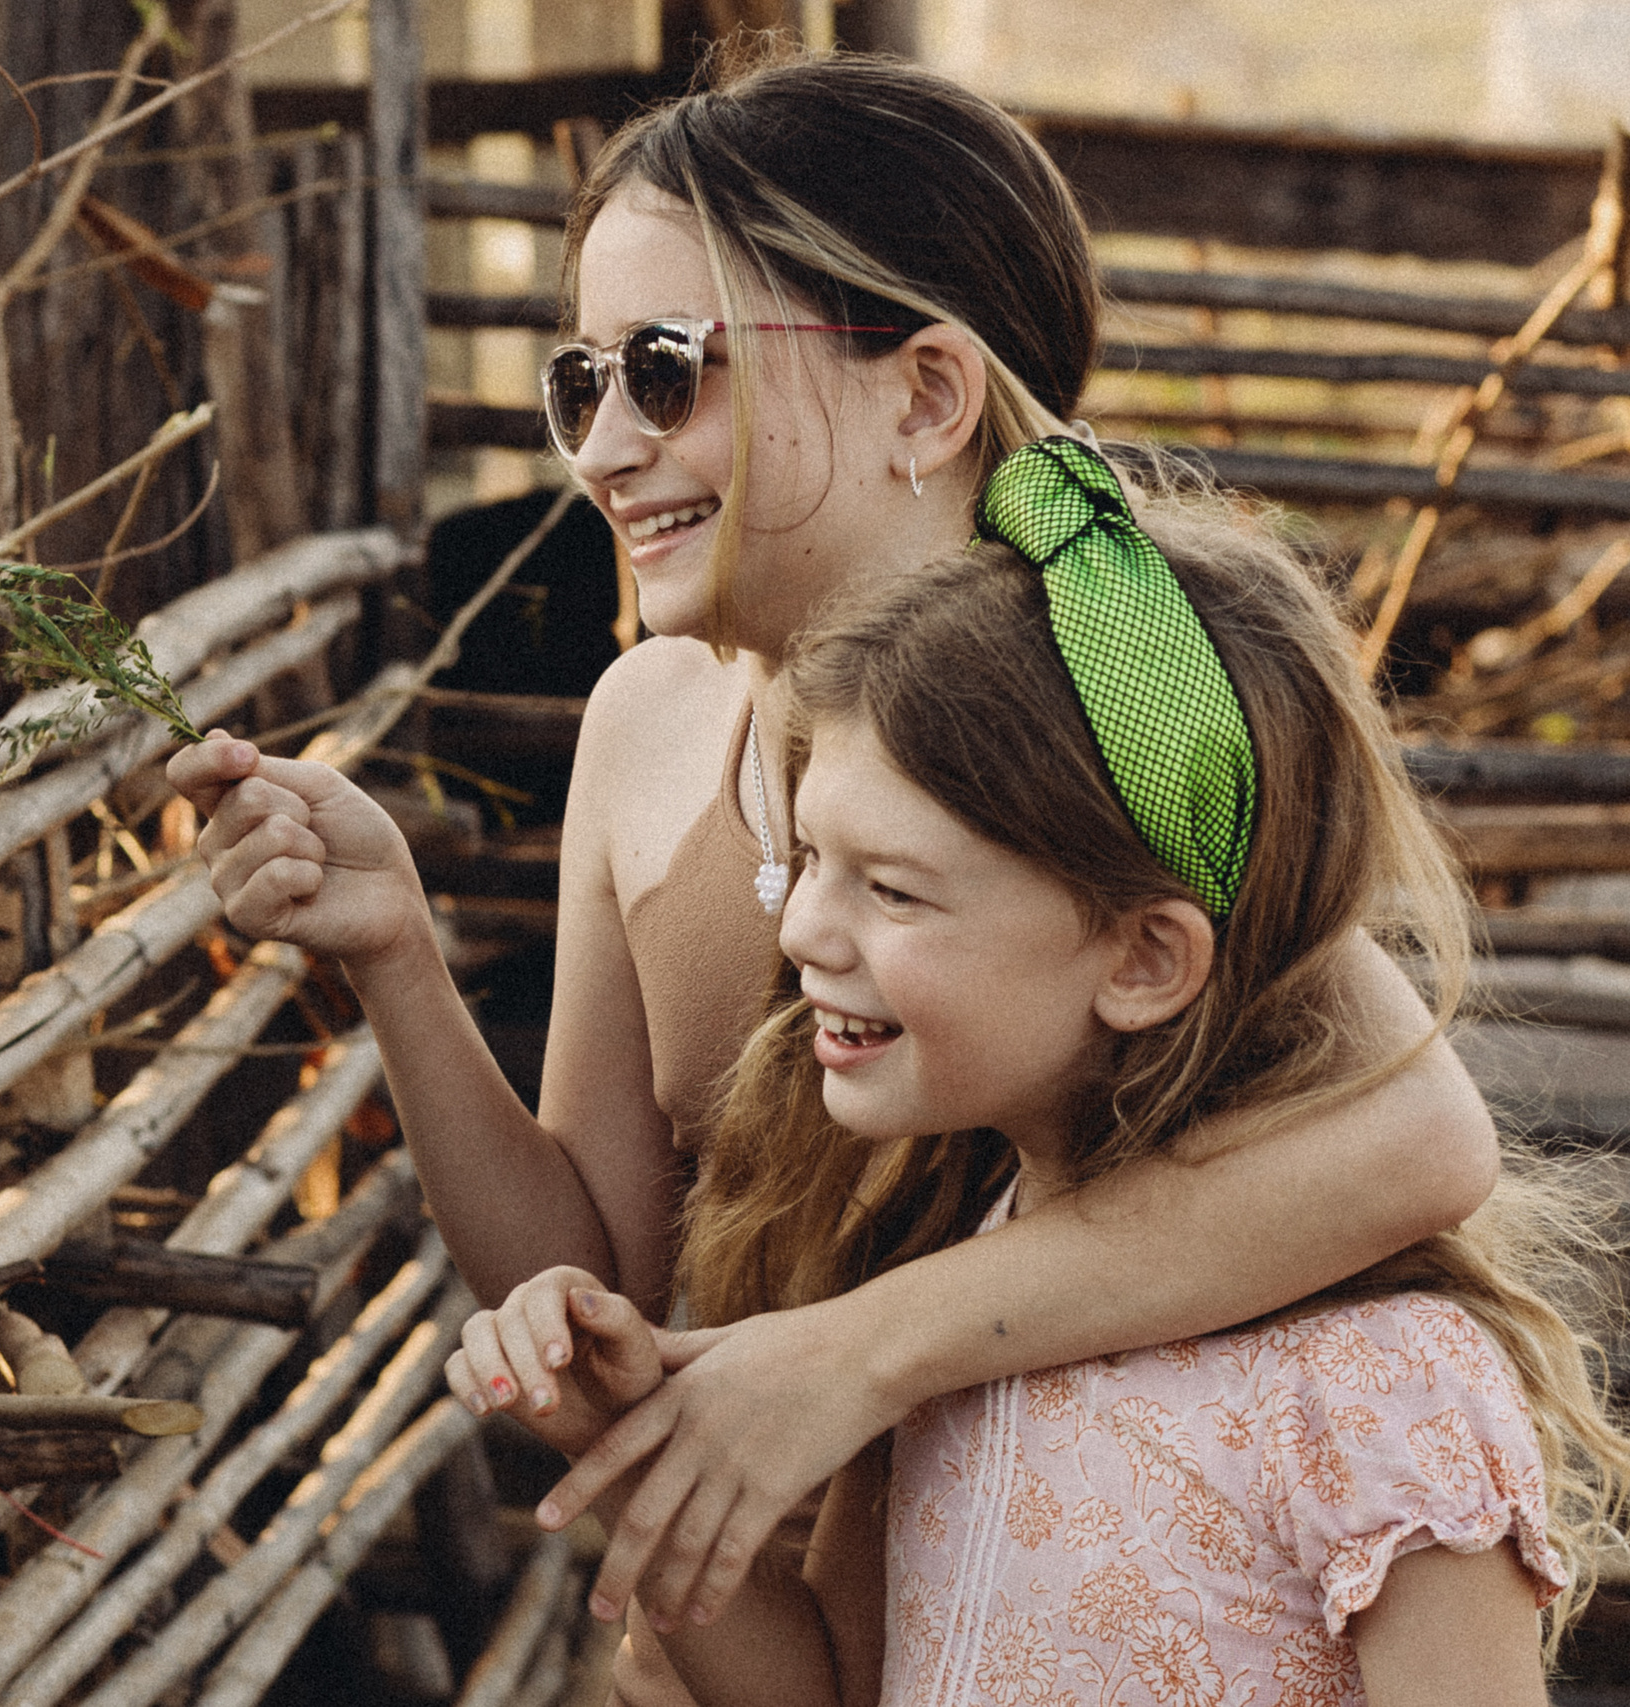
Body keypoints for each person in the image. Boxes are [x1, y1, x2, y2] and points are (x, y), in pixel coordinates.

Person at [165, 44, 1498, 1684]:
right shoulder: (646, 724)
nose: (601, 448)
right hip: (741, 1637)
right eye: (581, 383)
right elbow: (604, 1272)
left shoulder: (1096, 710)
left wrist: (858, 1354)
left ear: (924, 396)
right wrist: (397, 956)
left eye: (669, 369)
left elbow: (1419, 1137)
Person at [447, 437, 1630, 1706]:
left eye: (892, 889)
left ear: (1143, 959)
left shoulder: (1383, 1390)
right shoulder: (937, 1300)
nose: (801, 933)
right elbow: (831, 1690)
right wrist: (625, 1443)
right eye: (813, 861)